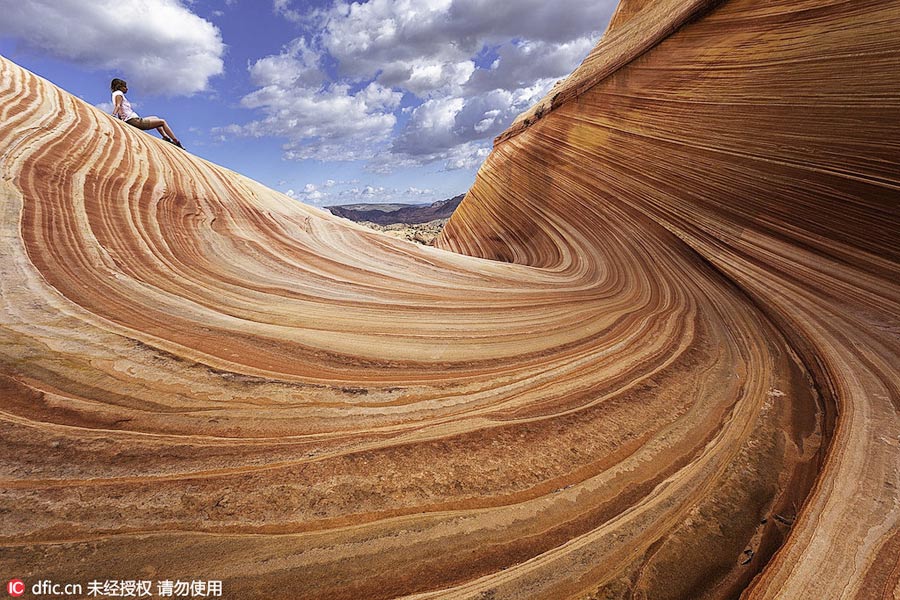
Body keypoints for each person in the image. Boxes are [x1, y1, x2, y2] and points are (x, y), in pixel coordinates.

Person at [110, 78, 183, 148]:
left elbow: (120, 110)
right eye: (125, 87)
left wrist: (121, 120)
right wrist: (113, 115)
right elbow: (118, 106)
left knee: (155, 118)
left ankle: (165, 137)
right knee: (162, 122)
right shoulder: (119, 93)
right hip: (134, 121)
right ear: (120, 87)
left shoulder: (115, 94)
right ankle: (176, 142)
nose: (127, 88)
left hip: (134, 120)